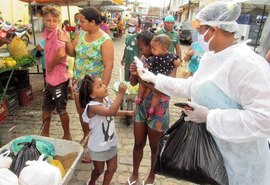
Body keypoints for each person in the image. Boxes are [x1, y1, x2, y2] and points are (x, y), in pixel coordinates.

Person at [138, 2, 270, 185]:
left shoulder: (246, 64)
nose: (198, 37)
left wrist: (210, 117)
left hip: (241, 167)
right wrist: (155, 79)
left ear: (214, 30)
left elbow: (265, 119)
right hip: (210, 160)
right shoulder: (212, 56)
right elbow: (194, 86)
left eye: (201, 31)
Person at [58, 6, 114, 162]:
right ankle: (87, 138)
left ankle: (95, 146)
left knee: (95, 116)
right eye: (79, 20)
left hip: (94, 86)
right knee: (83, 113)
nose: (79, 23)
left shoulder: (105, 40)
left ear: (93, 22)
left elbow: (109, 65)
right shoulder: (80, 34)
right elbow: (72, 53)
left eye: (82, 21)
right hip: (78, 83)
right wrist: (67, 41)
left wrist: (102, 88)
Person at [126, 30, 172, 185]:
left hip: (159, 109)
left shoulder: (169, 62)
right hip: (141, 107)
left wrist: (143, 80)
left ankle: (152, 174)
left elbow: (165, 89)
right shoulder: (143, 59)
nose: (141, 52)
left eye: (142, 48)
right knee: (138, 143)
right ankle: (134, 174)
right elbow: (133, 83)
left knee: (154, 146)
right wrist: (134, 73)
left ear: (151, 46)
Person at [79, 75, 133, 185]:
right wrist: (121, 94)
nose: (104, 86)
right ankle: (92, 181)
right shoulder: (93, 106)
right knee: (98, 170)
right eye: (99, 86)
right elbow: (110, 112)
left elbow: (112, 110)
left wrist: (126, 113)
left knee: (112, 168)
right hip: (98, 146)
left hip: (110, 143)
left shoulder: (106, 100)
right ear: (92, 94)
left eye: (103, 83)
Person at [40, 5, 71, 140]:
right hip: (50, 79)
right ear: (43, 20)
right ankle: (45, 133)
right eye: (48, 20)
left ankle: (67, 135)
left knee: (61, 109)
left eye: (54, 20)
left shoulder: (59, 34)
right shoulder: (47, 34)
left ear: (58, 20)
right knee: (46, 107)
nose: (51, 23)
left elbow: (62, 53)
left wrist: (51, 65)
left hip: (59, 79)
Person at [135, 34, 180, 116]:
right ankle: (139, 97)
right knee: (143, 86)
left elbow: (177, 63)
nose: (152, 50)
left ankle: (152, 107)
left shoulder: (169, 56)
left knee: (156, 94)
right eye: (151, 48)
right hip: (154, 78)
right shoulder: (156, 57)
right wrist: (144, 66)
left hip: (160, 79)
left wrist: (176, 64)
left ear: (164, 49)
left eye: (154, 48)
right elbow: (148, 64)